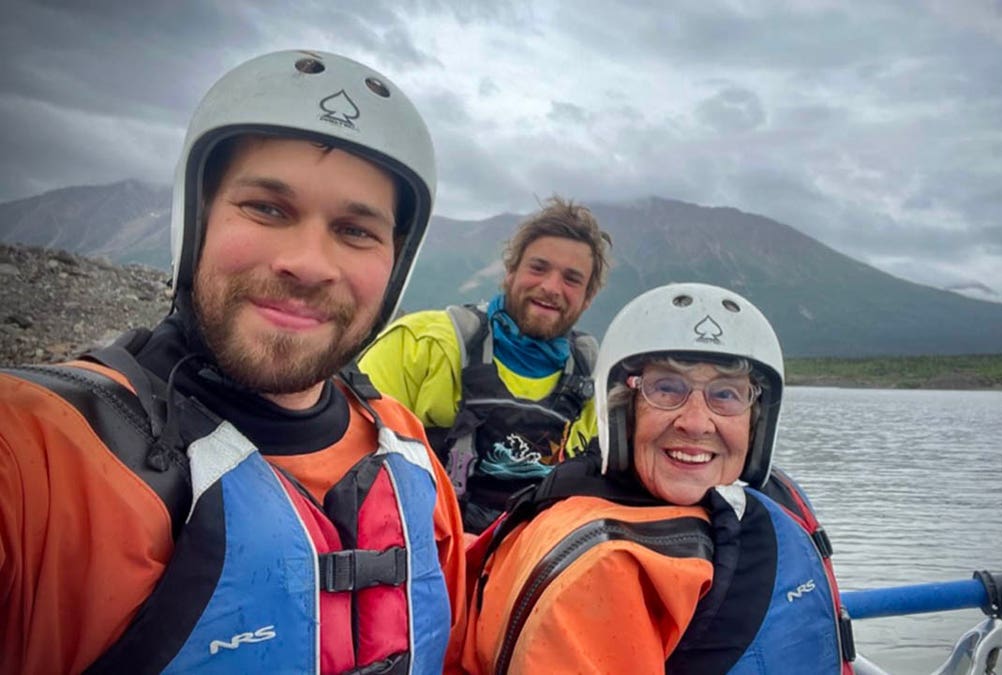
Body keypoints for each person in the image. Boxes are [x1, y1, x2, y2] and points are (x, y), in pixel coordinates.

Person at [0, 50, 466, 674]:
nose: (308, 262)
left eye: (356, 231)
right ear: (198, 221)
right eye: (267, 209)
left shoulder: (408, 450)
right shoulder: (39, 447)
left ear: (394, 267)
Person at [458, 282, 856, 674]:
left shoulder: (759, 502)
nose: (697, 423)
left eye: (726, 394)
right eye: (666, 388)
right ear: (622, 410)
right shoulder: (603, 567)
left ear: (757, 421)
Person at [358, 198, 612, 534]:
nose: (551, 287)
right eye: (538, 268)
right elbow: (351, 456)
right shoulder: (419, 345)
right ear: (509, 274)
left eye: (571, 279)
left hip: (535, 568)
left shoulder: (598, 382)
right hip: (424, 554)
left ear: (588, 296)